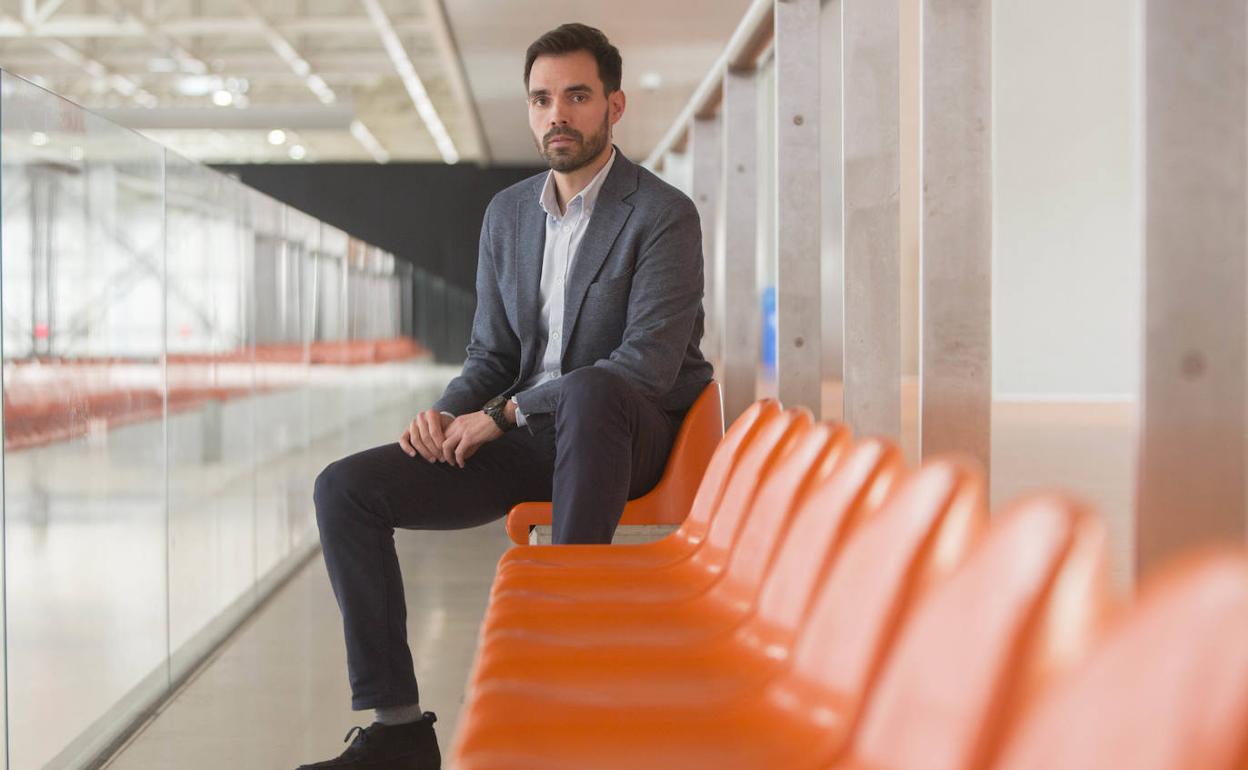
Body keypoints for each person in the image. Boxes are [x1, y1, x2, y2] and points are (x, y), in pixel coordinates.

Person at [296, 22, 713, 770]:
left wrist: (505, 413)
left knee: (588, 391)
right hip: (525, 437)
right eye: (543, 98)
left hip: (628, 433)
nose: (559, 113)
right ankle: (397, 730)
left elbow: (644, 366)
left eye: (578, 96)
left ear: (614, 106)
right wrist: (450, 412)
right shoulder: (508, 215)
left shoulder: (662, 215)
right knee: (345, 489)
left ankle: (569, 687)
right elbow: (492, 354)